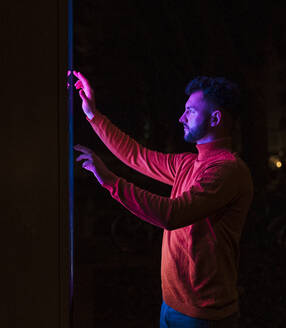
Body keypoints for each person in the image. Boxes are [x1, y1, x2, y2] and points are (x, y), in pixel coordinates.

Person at [72, 71, 253, 327]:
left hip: (204, 315)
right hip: (171, 305)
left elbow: (172, 215)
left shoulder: (227, 170)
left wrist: (109, 180)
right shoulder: (188, 164)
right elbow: (136, 155)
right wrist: (92, 114)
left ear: (215, 118)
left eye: (190, 111)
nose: (181, 118)